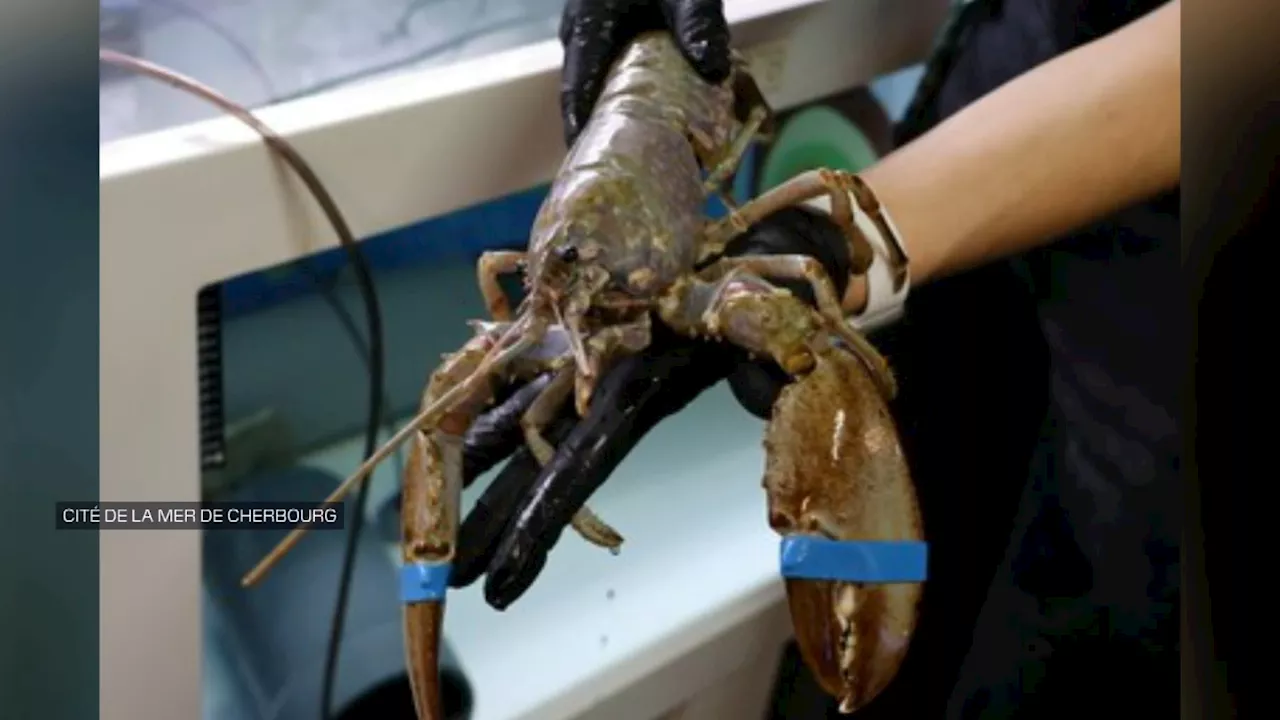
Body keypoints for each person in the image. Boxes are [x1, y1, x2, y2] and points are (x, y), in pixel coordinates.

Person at [445, 0, 1182, 716]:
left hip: (1165, 250)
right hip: (1011, 71)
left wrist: (839, 235)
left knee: (1091, 587)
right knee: (944, 467)